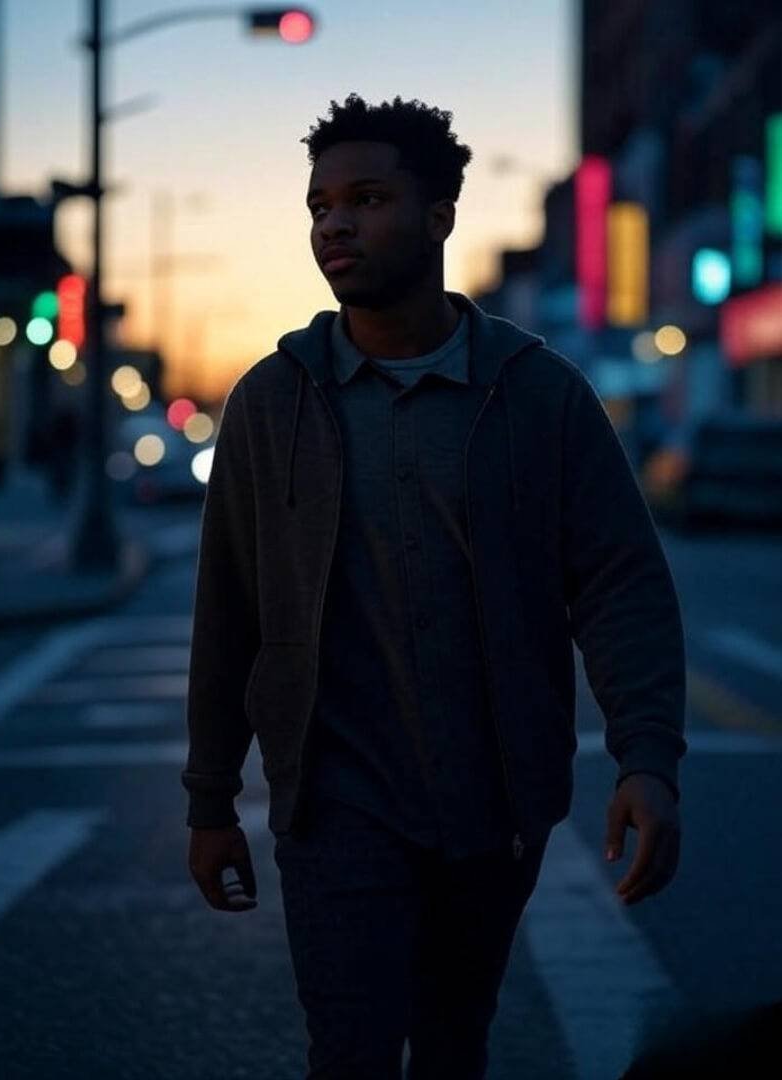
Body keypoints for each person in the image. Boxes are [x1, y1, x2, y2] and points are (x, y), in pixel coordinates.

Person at [183, 92, 687, 1080]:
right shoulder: (272, 400)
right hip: (334, 810)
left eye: (367, 198)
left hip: (494, 805)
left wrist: (649, 760)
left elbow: (620, 584)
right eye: (321, 204)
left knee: (456, 1042)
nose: (335, 224)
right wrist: (210, 800)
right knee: (355, 1051)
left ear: (439, 214)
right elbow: (228, 614)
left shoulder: (538, 395)